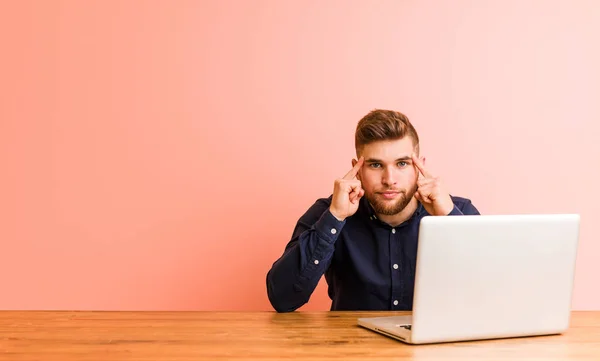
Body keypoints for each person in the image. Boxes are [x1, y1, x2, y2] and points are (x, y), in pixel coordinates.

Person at [266, 109, 480, 312]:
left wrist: (450, 221)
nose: (389, 180)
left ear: (419, 166)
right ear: (357, 170)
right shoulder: (329, 213)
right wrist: (334, 218)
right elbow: (283, 298)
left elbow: (494, 294)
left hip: (437, 349)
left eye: (402, 163)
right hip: (354, 348)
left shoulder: (459, 211)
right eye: (376, 165)